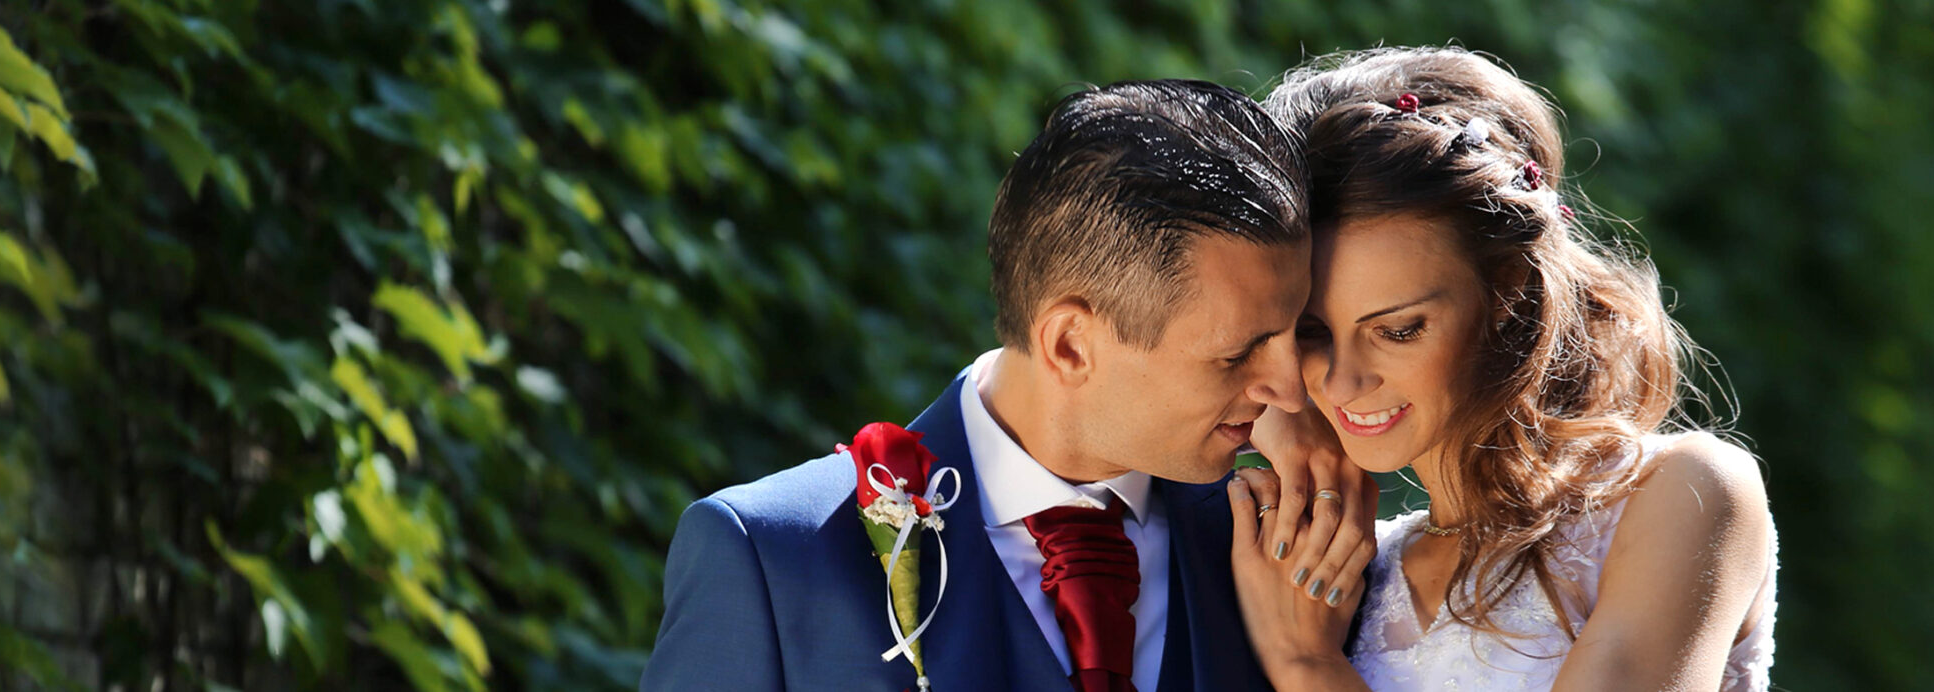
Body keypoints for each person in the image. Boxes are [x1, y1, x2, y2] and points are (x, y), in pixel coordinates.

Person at [643, 79, 1374, 692]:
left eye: (1297, 331)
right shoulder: (774, 559)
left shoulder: (1295, 554)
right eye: (1239, 352)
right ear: (1070, 345)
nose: (1291, 391)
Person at [1224, 47, 1780, 691]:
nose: (1344, 381)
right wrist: (1280, 408)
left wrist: (1305, 664)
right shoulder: (1335, 567)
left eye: (1398, 330)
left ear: (1508, 288)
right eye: (1313, 333)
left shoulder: (1682, 494)